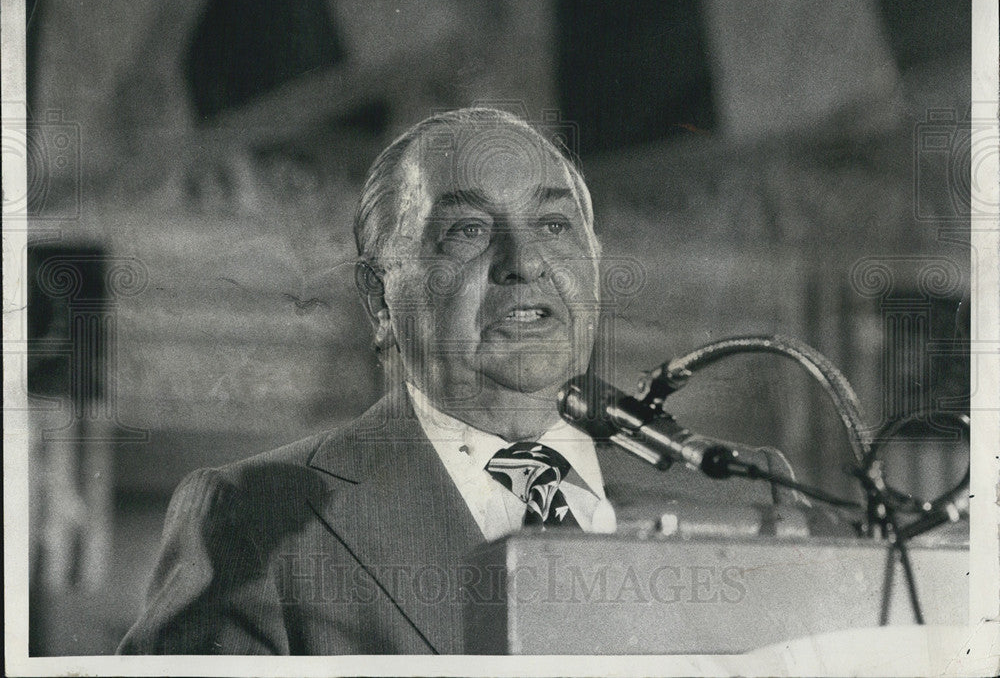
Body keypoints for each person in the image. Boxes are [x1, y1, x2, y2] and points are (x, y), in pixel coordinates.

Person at [118, 108, 780, 655]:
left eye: (554, 225)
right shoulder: (256, 521)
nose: (525, 263)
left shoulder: (741, 500)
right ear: (380, 299)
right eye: (467, 231)